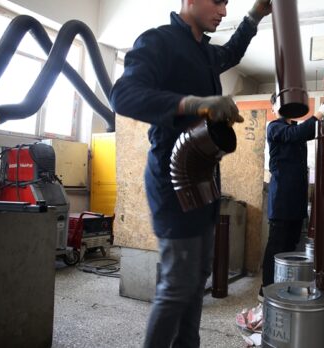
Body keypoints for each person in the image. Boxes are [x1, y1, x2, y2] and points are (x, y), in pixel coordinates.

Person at [109, 1, 271, 347]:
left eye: (227, 3)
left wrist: (255, 15)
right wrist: (194, 103)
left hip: (204, 179)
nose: (223, 11)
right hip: (173, 179)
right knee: (177, 284)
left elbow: (231, 52)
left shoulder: (204, 52)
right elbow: (122, 96)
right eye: (217, 2)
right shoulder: (159, 42)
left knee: (197, 279)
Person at [259, 96, 324, 300]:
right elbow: (296, 133)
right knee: (277, 244)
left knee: (291, 243)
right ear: (273, 106)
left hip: (296, 197)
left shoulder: (295, 127)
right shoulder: (275, 127)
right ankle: (266, 288)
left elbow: (307, 131)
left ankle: (283, 285)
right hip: (282, 198)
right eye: (280, 102)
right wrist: (320, 113)